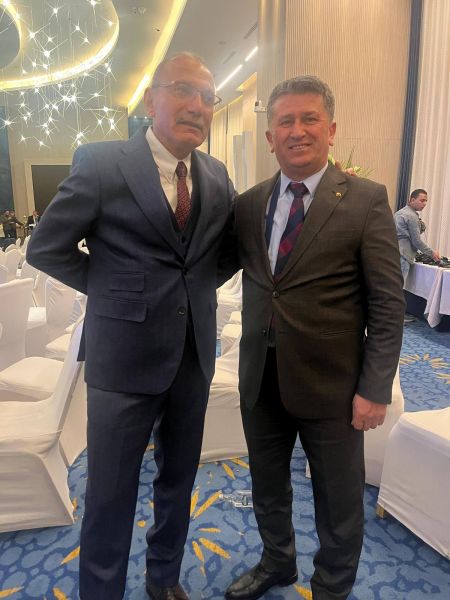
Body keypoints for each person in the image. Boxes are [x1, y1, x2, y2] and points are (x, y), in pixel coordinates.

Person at [27, 52, 234, 600]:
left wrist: (191, 293)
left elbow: (221, 255)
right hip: (122, 361)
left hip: (192, 356)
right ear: (150, 99)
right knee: (110, 496)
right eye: (183, 90)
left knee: (178, 482)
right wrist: (115, 289)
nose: (196, 106)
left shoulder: (216, 175)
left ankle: (163, 580)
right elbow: (46, 247)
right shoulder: (102, 163)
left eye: (207, 98)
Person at [224, 76, 405, 600]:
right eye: (285, 121)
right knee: (267, 486)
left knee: (338, 501)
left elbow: (387, 303)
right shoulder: (249, 204)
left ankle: (331, 588)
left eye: (309, 119)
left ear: (331, 129)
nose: (297, 131)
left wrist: (374, 388)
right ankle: (277, 563)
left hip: (334, 388)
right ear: (270, 137)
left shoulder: (366, 200)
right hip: (261, 379)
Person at [394, 188, 440, 283]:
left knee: (391, 286)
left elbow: (403, 235)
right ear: (412, 200)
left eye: (426, 201)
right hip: (403, 256)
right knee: (397, 288)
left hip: (394, 253)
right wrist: (432, 253)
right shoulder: (411, 216)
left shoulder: (400, 213)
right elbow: (416, 241)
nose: (424, 204)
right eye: (422, 200)